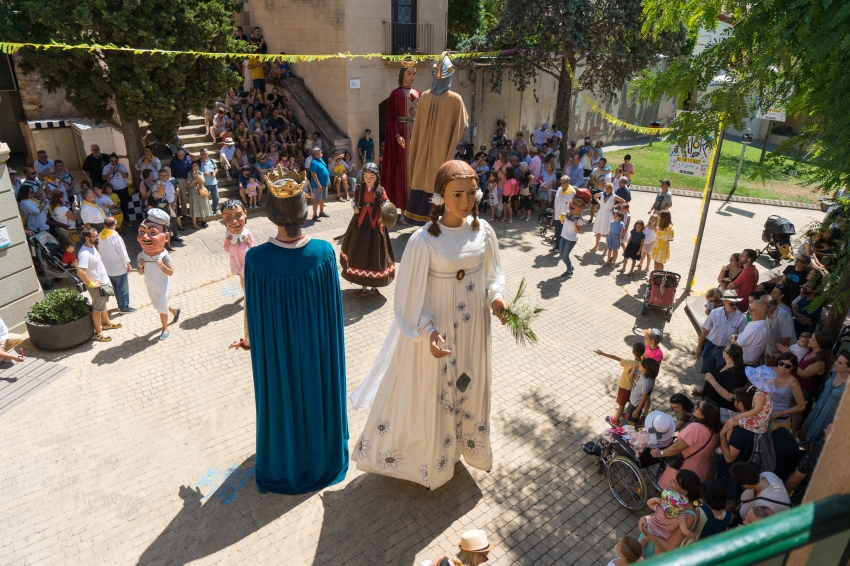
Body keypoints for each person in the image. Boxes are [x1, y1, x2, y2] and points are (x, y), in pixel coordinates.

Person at [349, 161, 506, 490]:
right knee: (437, 394)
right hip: (438, 335)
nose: (466, 202)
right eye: (457, 194)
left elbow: (493, 276)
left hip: (474, 333)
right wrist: (428, 332)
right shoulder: (425, 240)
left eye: (471, 193)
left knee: (469, 387)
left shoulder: (483, 230)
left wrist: (497, 299)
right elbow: (408, 298)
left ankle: (465, 447)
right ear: (441, 195)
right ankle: (433, 460)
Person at [230, 165, 349, 494]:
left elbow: (252, 310)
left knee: (283, 396)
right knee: (317, 391)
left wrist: (250, 342)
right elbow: (333, 315)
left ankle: (287, 461)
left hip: (279, 352)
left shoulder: (256, 260)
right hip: (317, 348)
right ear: (304, 209)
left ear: (270, 214)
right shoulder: (325, 253)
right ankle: (323, 457)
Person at [404, 53, 469, 225]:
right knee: (440, 181)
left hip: (422, 155)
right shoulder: (455, 100)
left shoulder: (424, 96)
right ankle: (439, 221)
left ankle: (419, 219)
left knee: (423, 177)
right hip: (441, 154)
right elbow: (463, 124)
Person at [339, 162, 396, 298]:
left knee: (374, 254)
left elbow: (387, 202)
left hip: (376, 225)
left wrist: (386, 207)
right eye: (366, 176)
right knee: (360, 253)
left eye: (371, 177)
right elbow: (353, 201)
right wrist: (354, 207)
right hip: (360, 224)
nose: (368, 179)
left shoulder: (380, 190)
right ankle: (363, 288)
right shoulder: (359, 188)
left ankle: (374, 287)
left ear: (376, 177)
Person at [137, 209, 180, 340]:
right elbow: (140, 272)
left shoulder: (163, 255)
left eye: (153, 232)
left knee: (161, 305)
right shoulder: (141, 255)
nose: (145, 237)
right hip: (150, 283)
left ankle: (165, 328)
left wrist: (162, 265)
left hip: (162, 284)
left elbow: (171, 272)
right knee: (159, 303)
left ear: (166, 237)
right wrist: (139, 266)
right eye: (142, 232)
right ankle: (174, 311)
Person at [77, 227, 122, 342]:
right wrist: (91, 284)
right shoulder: (84, 253)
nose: (97, 237)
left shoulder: (92, 247)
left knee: (103, 304)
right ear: (87, 238)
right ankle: (98, 332)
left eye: (97, 235)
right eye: (95, 236)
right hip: (96, 287)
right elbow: (80, 272)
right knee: (97, 309)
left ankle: (106, 323)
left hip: (103, 283)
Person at [716, 387, 759, 505]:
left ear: (740, 404)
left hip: (729, 472)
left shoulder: (741, 430)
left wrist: (722, 435)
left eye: (735, 400)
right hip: (738, 468)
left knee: (727, 500)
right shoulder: (755, 421)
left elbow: (729, 458)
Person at [695, 289, 748, 373]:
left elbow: (741, 339)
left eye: (736, 304)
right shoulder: (714, 313)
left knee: (719, 374)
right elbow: (706, 330)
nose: (735, 306)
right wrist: (699, 347)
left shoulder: (741, 319)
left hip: (726, 353)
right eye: (731, 304)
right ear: (724, 302)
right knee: (707, 372)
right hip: (710, 347)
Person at [802, 352, 849, 443]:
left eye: (840, 363)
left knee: (823, 444)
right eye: (837, 360)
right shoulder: (835, 373)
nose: (835, 363)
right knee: (811, 440)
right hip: (819, 410)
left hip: (831, 417)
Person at [595, 342, 645, 427]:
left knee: (621, 404)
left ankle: (616, 420)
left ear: (632, 351)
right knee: (631, 403)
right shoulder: (643, 365)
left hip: (624, 387)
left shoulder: (629, 362)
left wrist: (602, 353)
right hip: (634, 388)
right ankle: (628, 416)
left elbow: (616, 358)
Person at [698, 343, 748, 420]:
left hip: (718, 409)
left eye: (724, 350)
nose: (722, 351)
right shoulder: (726, 363)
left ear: (728, 355)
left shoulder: (737, 375)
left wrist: (713, 381)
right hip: (710, 402)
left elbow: (730, 397)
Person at [785, 423, 831, 505]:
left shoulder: (813, 457)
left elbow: (794, 480)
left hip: (804, 504)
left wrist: (783, 494)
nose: (824, 430)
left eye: (827, 429)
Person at [98, 217, 135, 313]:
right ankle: (124, 308)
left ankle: (120, 305)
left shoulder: (100, 235)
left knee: (116, 287)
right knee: (123, 287)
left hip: (107, 268)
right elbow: (122, 252)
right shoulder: (115, 236)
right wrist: (128, 264)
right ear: (115, 225)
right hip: (118, 267)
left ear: (104, 225)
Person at [559, 188, 591, 278]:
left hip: (571, 239)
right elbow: (562, 223)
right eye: (573, 199)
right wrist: (562, 217)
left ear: (584, 206)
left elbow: (577, 231)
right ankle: (570, 267)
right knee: (561, 254)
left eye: (578, 202)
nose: (572, 203)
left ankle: (569, 271)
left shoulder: (579, 219)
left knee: (565, 256)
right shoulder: (568, 213)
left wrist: (574, 222)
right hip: (563, 236)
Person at [769, 352, 805, 431]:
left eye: (787, 366)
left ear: (793, 367)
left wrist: (780, 413)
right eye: (781, 363)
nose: (783, 367)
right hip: (764, 416)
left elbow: (801, 406)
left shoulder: (793, 383)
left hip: (780, 421)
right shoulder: (770, 372)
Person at [733, 299, 769, 366]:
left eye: (752, 310)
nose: (749, 311)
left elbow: (736, 344)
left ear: (762, 313)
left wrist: (731, 339)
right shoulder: (760, 324)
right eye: (749, 308)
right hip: (747, 363)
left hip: (742, 364)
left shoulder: (754, 329)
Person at [590, 182, 624, 252]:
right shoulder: (602, 194)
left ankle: (606, 249)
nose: (607, 189)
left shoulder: (614, 196)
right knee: (598, 231)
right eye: (606, 187)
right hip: (601, 213)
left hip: (609, 215)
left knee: (607, 232)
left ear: (612, 189)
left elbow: (623, 201)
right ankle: (596, 245)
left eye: (609, 188)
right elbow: (595, 196)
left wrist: (615, 206)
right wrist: (599, 202)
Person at [627, 358, 659, 424]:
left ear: (645, 369)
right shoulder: (640, 372)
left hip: (636, 403)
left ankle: (632, 434)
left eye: (641, 364)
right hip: (633, 399)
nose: (639, 364)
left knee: (632, 423)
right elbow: (630, 377)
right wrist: (634, 369)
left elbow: (644, 398)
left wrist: (637, 410)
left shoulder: (646, 383)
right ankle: (632, 432)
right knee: (631, 420)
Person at [727, 249, 759, 313]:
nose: (739, 257)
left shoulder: (746, 273)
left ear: (748, 260)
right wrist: (736, 287)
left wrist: (734, 286)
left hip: (739, 304)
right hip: (745, 302)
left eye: (742, 256)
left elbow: (729, 286)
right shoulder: (755, 270)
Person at [186, 161, 214, 229]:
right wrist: (195, 180)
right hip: (193, 191)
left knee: (203, 205)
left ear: (198, 166)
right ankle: (194, 223)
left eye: (196, 166)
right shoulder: (189, 174)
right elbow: (189, 185)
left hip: (201, 190)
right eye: (194, 166)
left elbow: (202, 181)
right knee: (194, 206)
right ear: (192, 167)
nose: (195, 167)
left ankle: (203, 221)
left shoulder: (200, 173)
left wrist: (197, 176)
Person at [101, 153, 130, 218]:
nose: (114, 162)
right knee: (114, 205)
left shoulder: (121, 166)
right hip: (112, 190)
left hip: (123, 188)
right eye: (112, 161)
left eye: (115, 160)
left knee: (124, 205)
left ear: (117, 160)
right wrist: (110, 172)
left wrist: (118, 170)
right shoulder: (106, 167)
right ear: (109, 161)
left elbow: (126, 176)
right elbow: (104, 178)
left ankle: (125, 219)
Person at [169, 148, 193, 222]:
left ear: (184, 154)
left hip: (189, 179)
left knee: (192, 195)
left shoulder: (188, 158)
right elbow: (171, 171)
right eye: (179, 155)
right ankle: (184, 213)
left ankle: (193, 212)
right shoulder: (174, 160)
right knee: (182, 197)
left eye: (182, 155)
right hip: (180, 179)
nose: (180, 156)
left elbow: (191, 167)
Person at [308, 147, 330, 221]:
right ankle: (314, 216)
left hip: (324, 183)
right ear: (315, 153)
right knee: (317, 200)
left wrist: (328, 180)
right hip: (318, 185)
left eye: (320, 150)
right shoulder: (313, 162)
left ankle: (321, 212)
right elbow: (314, 174)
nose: (320, 151)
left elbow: (325, 169)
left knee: (323, 199)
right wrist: (318, 185)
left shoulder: (321, 160)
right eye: (318, 151)